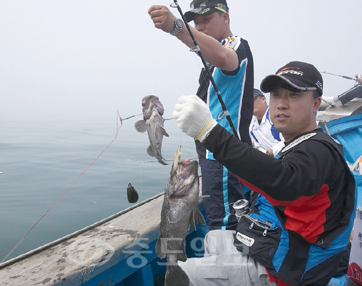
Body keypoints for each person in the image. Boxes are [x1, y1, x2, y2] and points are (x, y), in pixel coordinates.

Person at [173, 61, 356, 286]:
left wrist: (209, 132)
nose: (282, 104)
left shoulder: (320, 150)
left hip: (293, 270)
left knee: (180, 274)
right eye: (276, 96)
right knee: (213, 238)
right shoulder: (301, 144)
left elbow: (283, 181)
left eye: (294, 95)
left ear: (316, 104)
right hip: (281, 244)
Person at [148, 0, 254, 231]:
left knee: (225, 222)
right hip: (210, 152)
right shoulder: (211, 59)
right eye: (196, 22)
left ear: (225, 17)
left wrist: (177, 27)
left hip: (225, 155)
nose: (200, 26)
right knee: (219, 215)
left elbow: (226, 58)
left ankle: (231, 263)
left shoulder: (235, 46)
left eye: (206, 20)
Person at [250, 88, 284, 157]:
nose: (250, 104)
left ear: (263, 99)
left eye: (253, 100)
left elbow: (288, 140)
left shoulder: (277, 116)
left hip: (290, 157)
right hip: (274, 162)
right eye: (247, 102)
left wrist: (270, 153)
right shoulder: (252, 128)